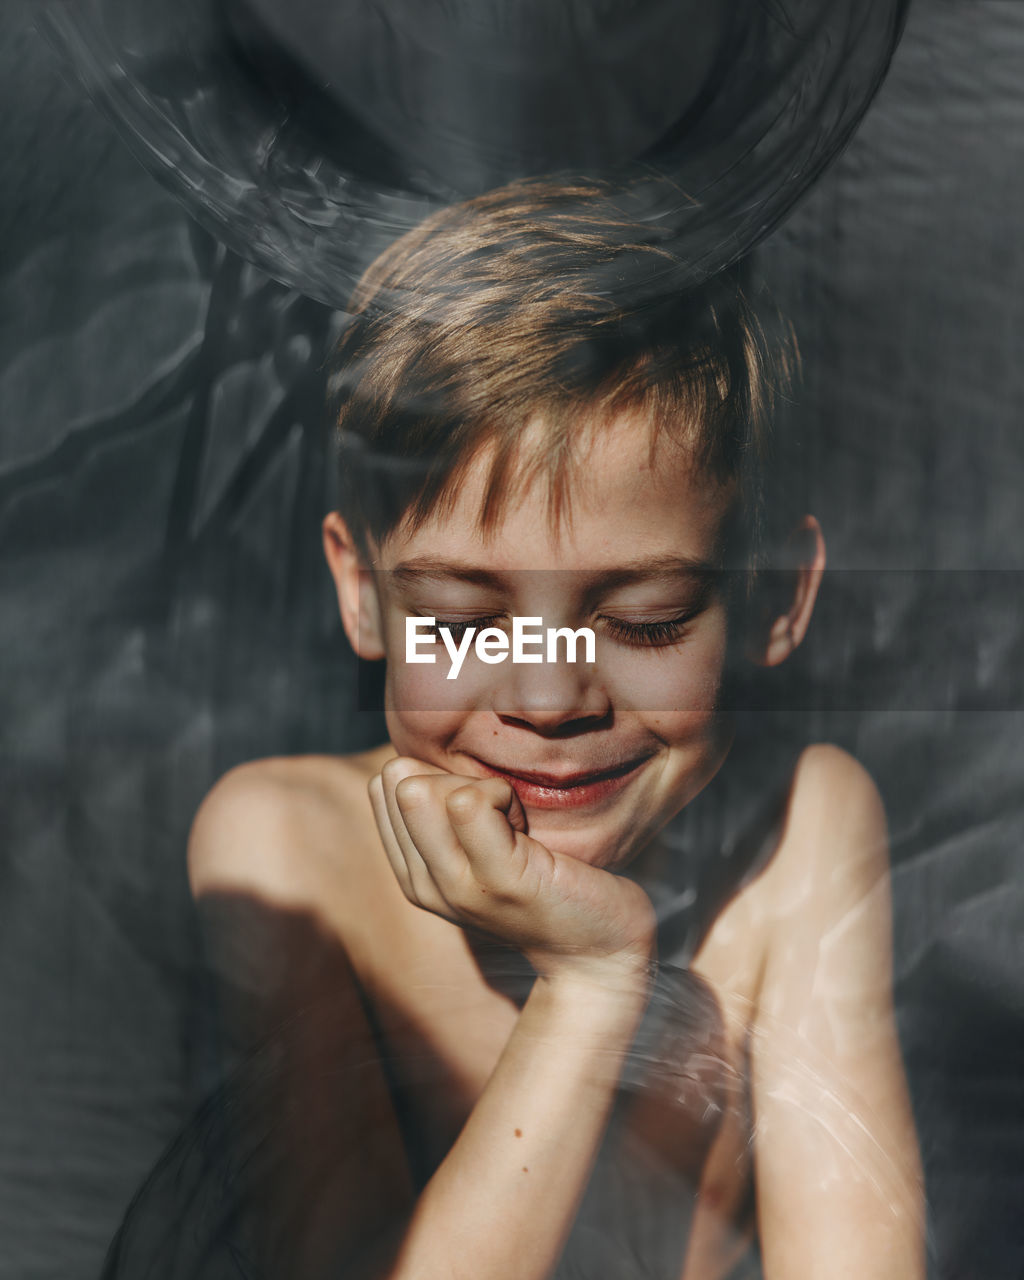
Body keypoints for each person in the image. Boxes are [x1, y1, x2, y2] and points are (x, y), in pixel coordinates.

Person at [121, 177, 925, 1280]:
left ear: (778, 597)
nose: (548, 699)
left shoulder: (801, 829)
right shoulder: (284, 846)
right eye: (460, 621)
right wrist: (589, 987)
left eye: (644, 621)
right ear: (363, 595)